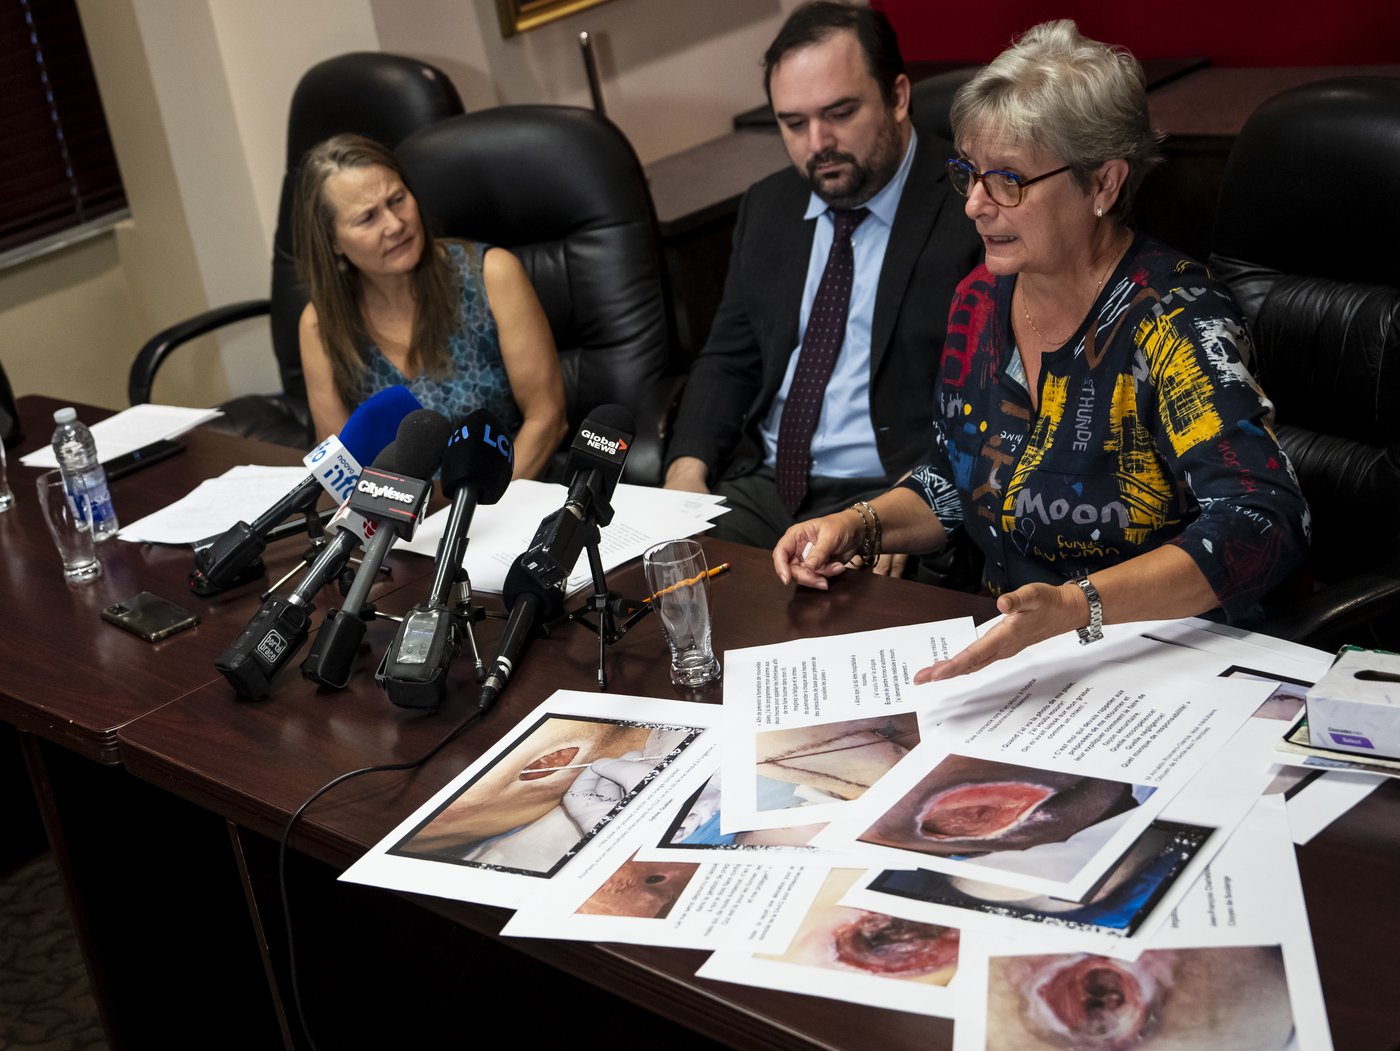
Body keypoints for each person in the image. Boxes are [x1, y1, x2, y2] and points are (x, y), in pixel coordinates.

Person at [774, 20, 1309, 681]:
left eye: (1008, 180)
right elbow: (959, 474)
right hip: (1019, 656)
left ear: (1104, 184)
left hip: (1165, 659)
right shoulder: (979, 299)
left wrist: (1075, 606)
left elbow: (1261, 521)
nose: (975, 205)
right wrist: (861, 523)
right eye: (968, 174)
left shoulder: (1172, 318)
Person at [663, 1, 981, 562]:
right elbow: (729, 361)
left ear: (897, 96)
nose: (817, 143)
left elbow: (994, 395)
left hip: (888, 488)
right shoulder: (769, 207)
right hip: (764, 488)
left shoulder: (971, 207)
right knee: (645, 583)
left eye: (840, 112)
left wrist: (911, 504)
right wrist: (685, 475)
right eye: (794, 123)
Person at [294, 134, 567, 479]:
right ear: (333, 241)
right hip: (396, 508)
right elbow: (343, 465)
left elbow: (547, 419)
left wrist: (474, 505)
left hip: (508, 489)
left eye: (397, 200)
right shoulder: (320, 324)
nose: (395, 225)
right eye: (368, 218)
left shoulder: (492, 274)